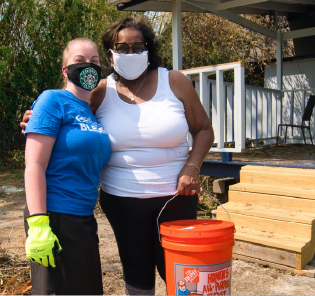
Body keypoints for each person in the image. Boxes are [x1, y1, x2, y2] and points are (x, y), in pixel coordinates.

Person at [23, 16, 215, 296]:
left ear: (150, 49)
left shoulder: (174, 82)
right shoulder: (100, 90)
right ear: (111, 54)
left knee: (186, 279)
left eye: (138, 46)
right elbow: (69, 115)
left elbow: (204, 129)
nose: (130, 53)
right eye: (121, 47)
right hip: (122, 203)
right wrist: (35, 118)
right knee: (137, 277)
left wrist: (193, 166)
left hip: (176, 198)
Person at [23, 38, 111, 296]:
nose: (88, 66)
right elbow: (35, 163)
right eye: (79, 61)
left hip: (83, 217)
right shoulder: (53, 100)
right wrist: (38, 224)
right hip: (54, 216)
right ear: (65, 70)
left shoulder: (90, 111)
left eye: (94, 61)